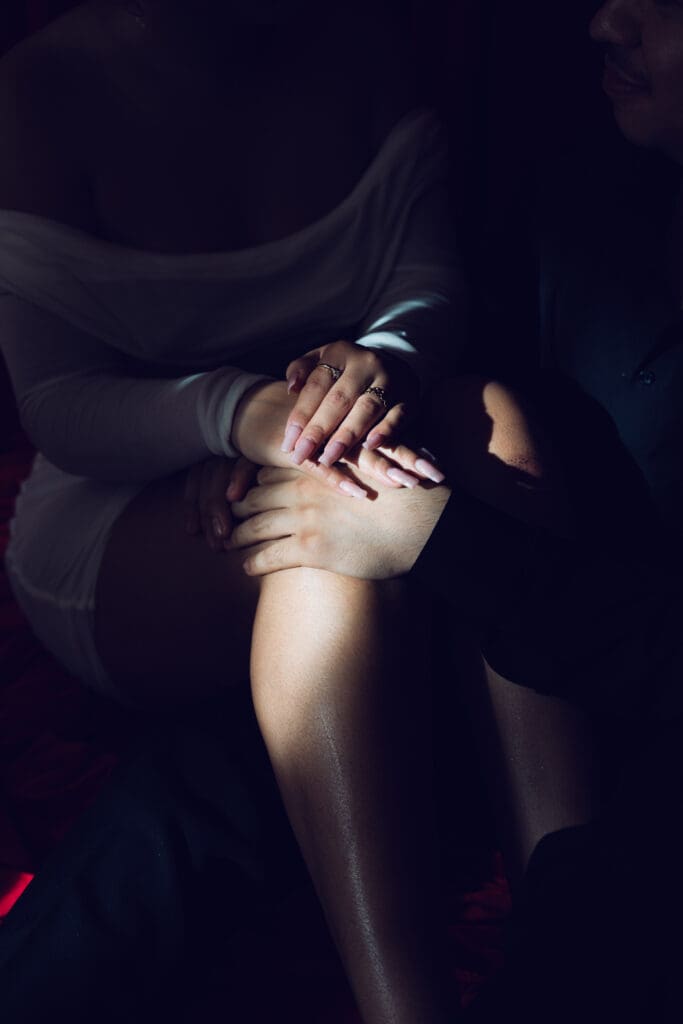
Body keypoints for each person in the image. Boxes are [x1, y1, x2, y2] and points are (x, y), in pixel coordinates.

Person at [0, 1, 470, 1021]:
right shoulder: (41, 90)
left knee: (503, 427)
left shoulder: (362, 40)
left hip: (347, 441)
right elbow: (60, 406)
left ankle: (576, 918)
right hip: (117, 512)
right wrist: (244, 416)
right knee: (323, 539)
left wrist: (375, 368)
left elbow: (426, 283)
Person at [226, 0, 683, 1018]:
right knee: (383, 468)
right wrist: (250, 423)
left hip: (628, 704)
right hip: (553, 640)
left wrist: (432, 538)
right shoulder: (590, 185)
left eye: (662, 8)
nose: (603, 23)